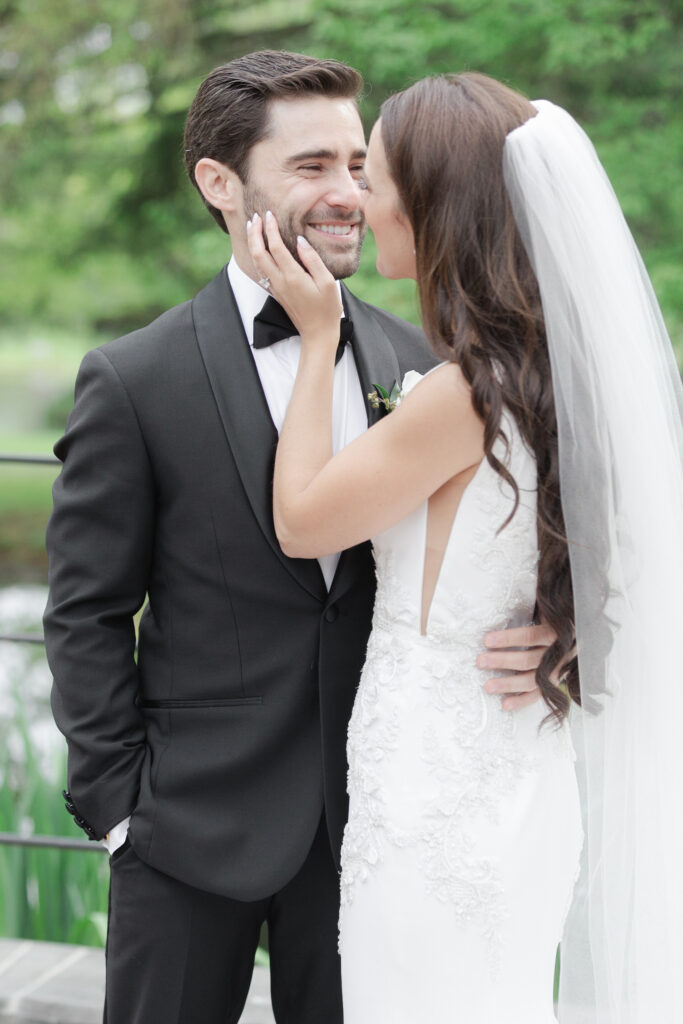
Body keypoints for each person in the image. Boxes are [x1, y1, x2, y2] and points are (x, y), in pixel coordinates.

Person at [43, 53, 554, 1024]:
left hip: (379, 828)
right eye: (311, 165)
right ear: (219, 182)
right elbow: (86, 612)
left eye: (359, 165)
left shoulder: (420, 360)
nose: (348, 194)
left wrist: (554, 639)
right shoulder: (133, 377)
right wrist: (120, 813)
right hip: (186, 829)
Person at [248, 71, 683, 1022]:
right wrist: (570, 634)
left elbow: (303, 520)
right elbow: (637, 554)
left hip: (434, 791)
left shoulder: (464, 393)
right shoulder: (555, 377)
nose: (361, 199)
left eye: (379, 174)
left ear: (435, 201)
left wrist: (318, 339)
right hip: (515, 772)